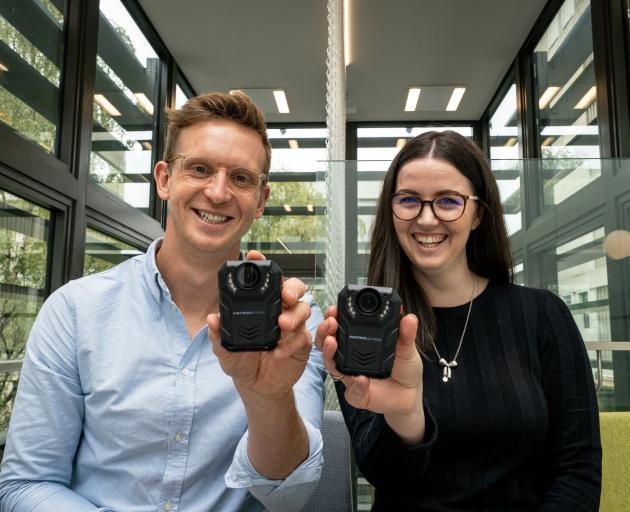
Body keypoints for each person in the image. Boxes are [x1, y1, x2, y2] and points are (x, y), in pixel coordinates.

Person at [0, 92, 326, 511]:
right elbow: (26, 485)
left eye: (242, 178)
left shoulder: (291, 323)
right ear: (164, 179)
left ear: (261, 201)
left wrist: (267, 397)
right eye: (200, 169)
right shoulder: (75, 312)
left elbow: (290, 496)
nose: (218, 191)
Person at [316, 130, 601, 511]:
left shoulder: (542, 315)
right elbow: (384, 476)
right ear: (391, 209)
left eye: (449, 201)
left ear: (478, 213)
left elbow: (577, 471)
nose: (427, 218)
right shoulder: (368, 325)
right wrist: (404, 414)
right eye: (409, 200)